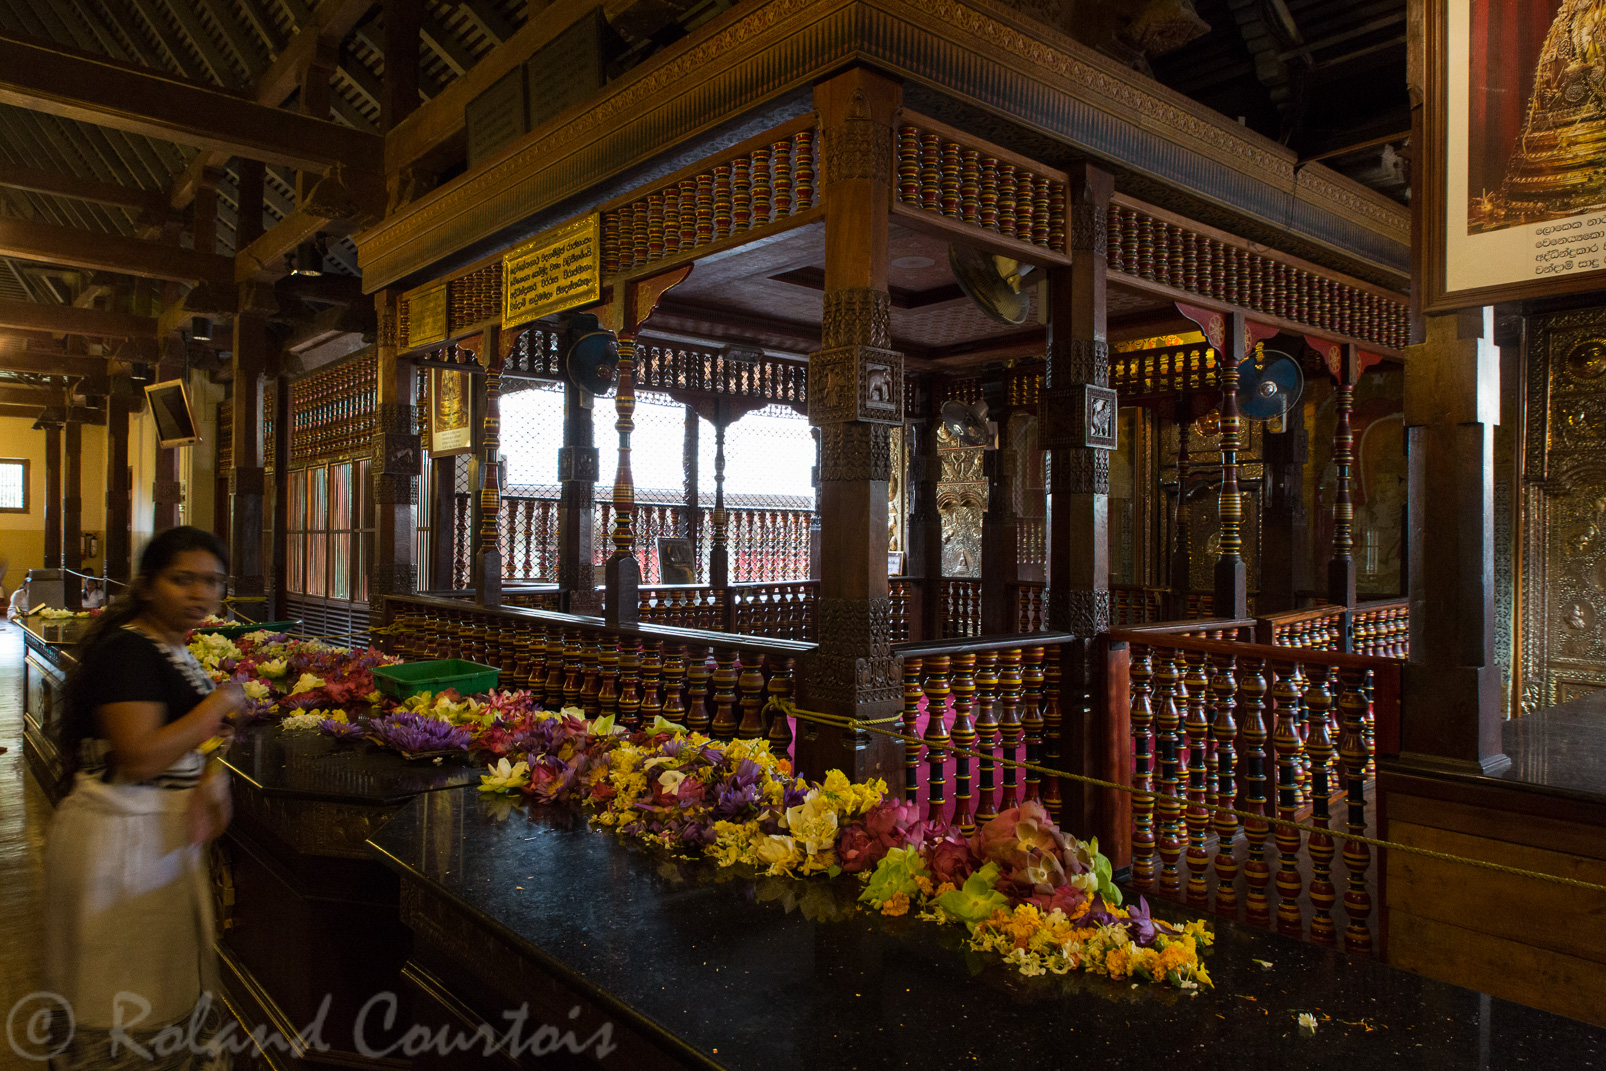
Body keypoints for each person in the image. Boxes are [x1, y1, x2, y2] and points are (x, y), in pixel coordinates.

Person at [44, 526, 245, 1070]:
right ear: (148, 585)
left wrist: (209, 775)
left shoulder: (171, 647)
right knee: (121, 1001)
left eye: (213, 582)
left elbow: (188, 740)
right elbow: (138, 756)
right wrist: (220, 703)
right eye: (183, 580)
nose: (200, 594)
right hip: (118, 845)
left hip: (155, 841)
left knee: (159, 993)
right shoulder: (127, 652)